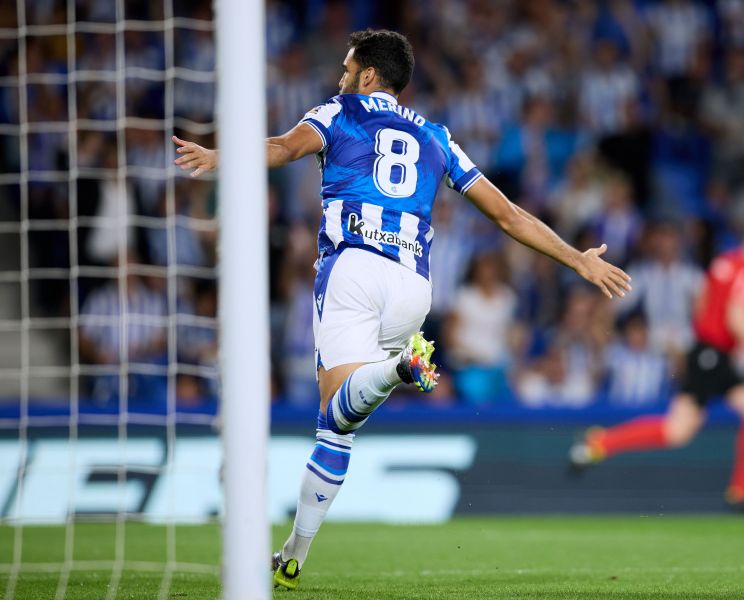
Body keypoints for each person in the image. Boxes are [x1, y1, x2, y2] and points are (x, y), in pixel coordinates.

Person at [171, 29, 631, 590]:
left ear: (367, 76)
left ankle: (396, 372)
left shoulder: (339, 112)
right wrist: (576, 259)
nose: (340, 77)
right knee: (342, 421)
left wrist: (221, 157)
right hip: (415, 286)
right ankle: (292, 553)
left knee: (334, 421)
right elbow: (508, 215)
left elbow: (284, 148)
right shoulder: (438, 136)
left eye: (346, 68)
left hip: (353, 270)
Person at [569, 225, 744, 512]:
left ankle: (600, 442)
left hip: (705, 351)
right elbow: (738, 317)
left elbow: (705, 306)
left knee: (679, 430)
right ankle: (743, 491)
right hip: (713, 354)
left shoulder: (724, 263)